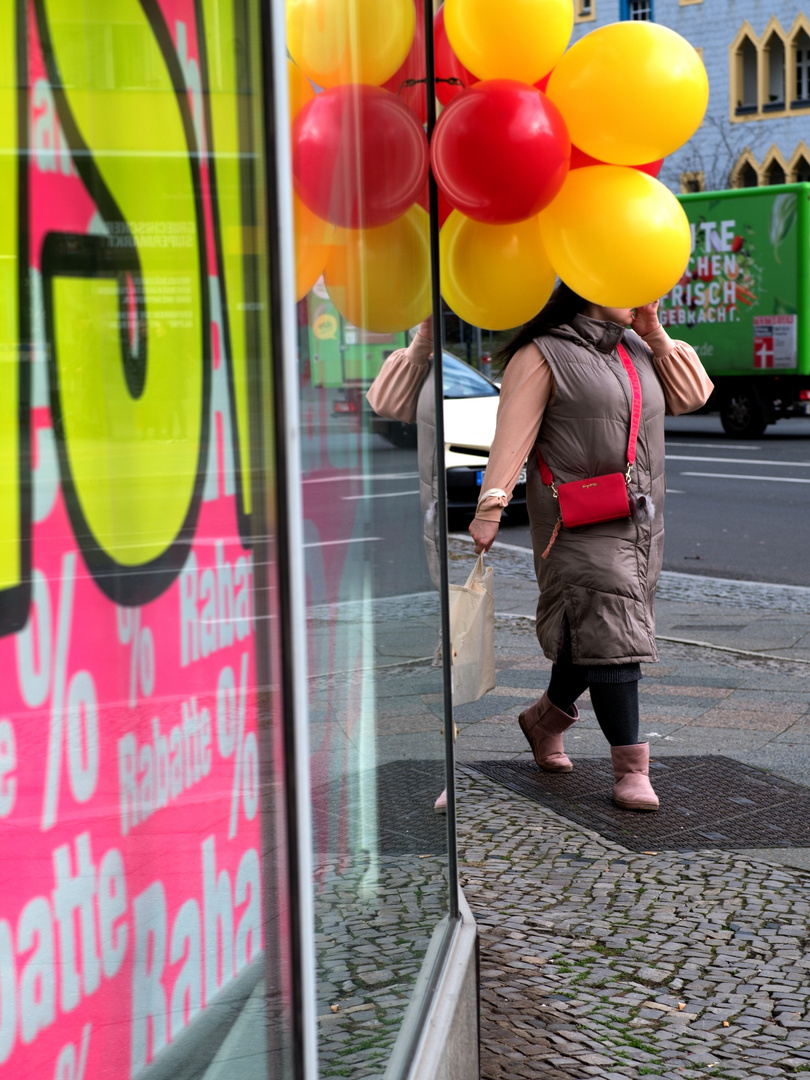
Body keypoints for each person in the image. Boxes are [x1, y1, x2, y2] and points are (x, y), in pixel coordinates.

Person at [470, 283, 713, 812]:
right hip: (574, 520)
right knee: (613, 628)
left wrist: (653, 330)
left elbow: (693, 396)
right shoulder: (544, 352)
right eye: (628, 282)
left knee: (599, 631)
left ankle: (543, 721)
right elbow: (512, 435)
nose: (642, 292)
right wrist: (491, 507)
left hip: (638, 521)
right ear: (591, 287)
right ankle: (631, 769)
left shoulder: (635, 346)